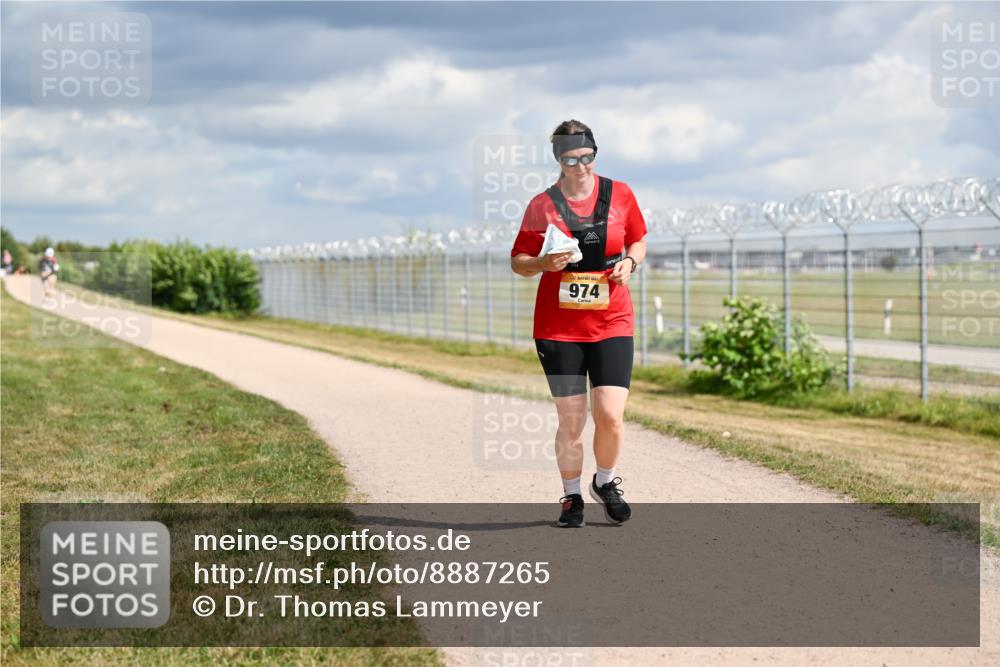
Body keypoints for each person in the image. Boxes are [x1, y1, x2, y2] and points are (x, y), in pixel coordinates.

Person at [510, 120, 647, 527]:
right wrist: (540, 263)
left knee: (610, 416)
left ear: (595, 154)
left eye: (587, 157)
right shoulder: (542, 205)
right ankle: (571, 497)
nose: (581, 165)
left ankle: (604, 482)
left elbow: (638, 239)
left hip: (613, 321)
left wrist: (629, 262)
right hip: (558, 329)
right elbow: (518, 261)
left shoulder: (620, 194)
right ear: (559, 160)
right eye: (571, 158)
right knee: (572, 420)